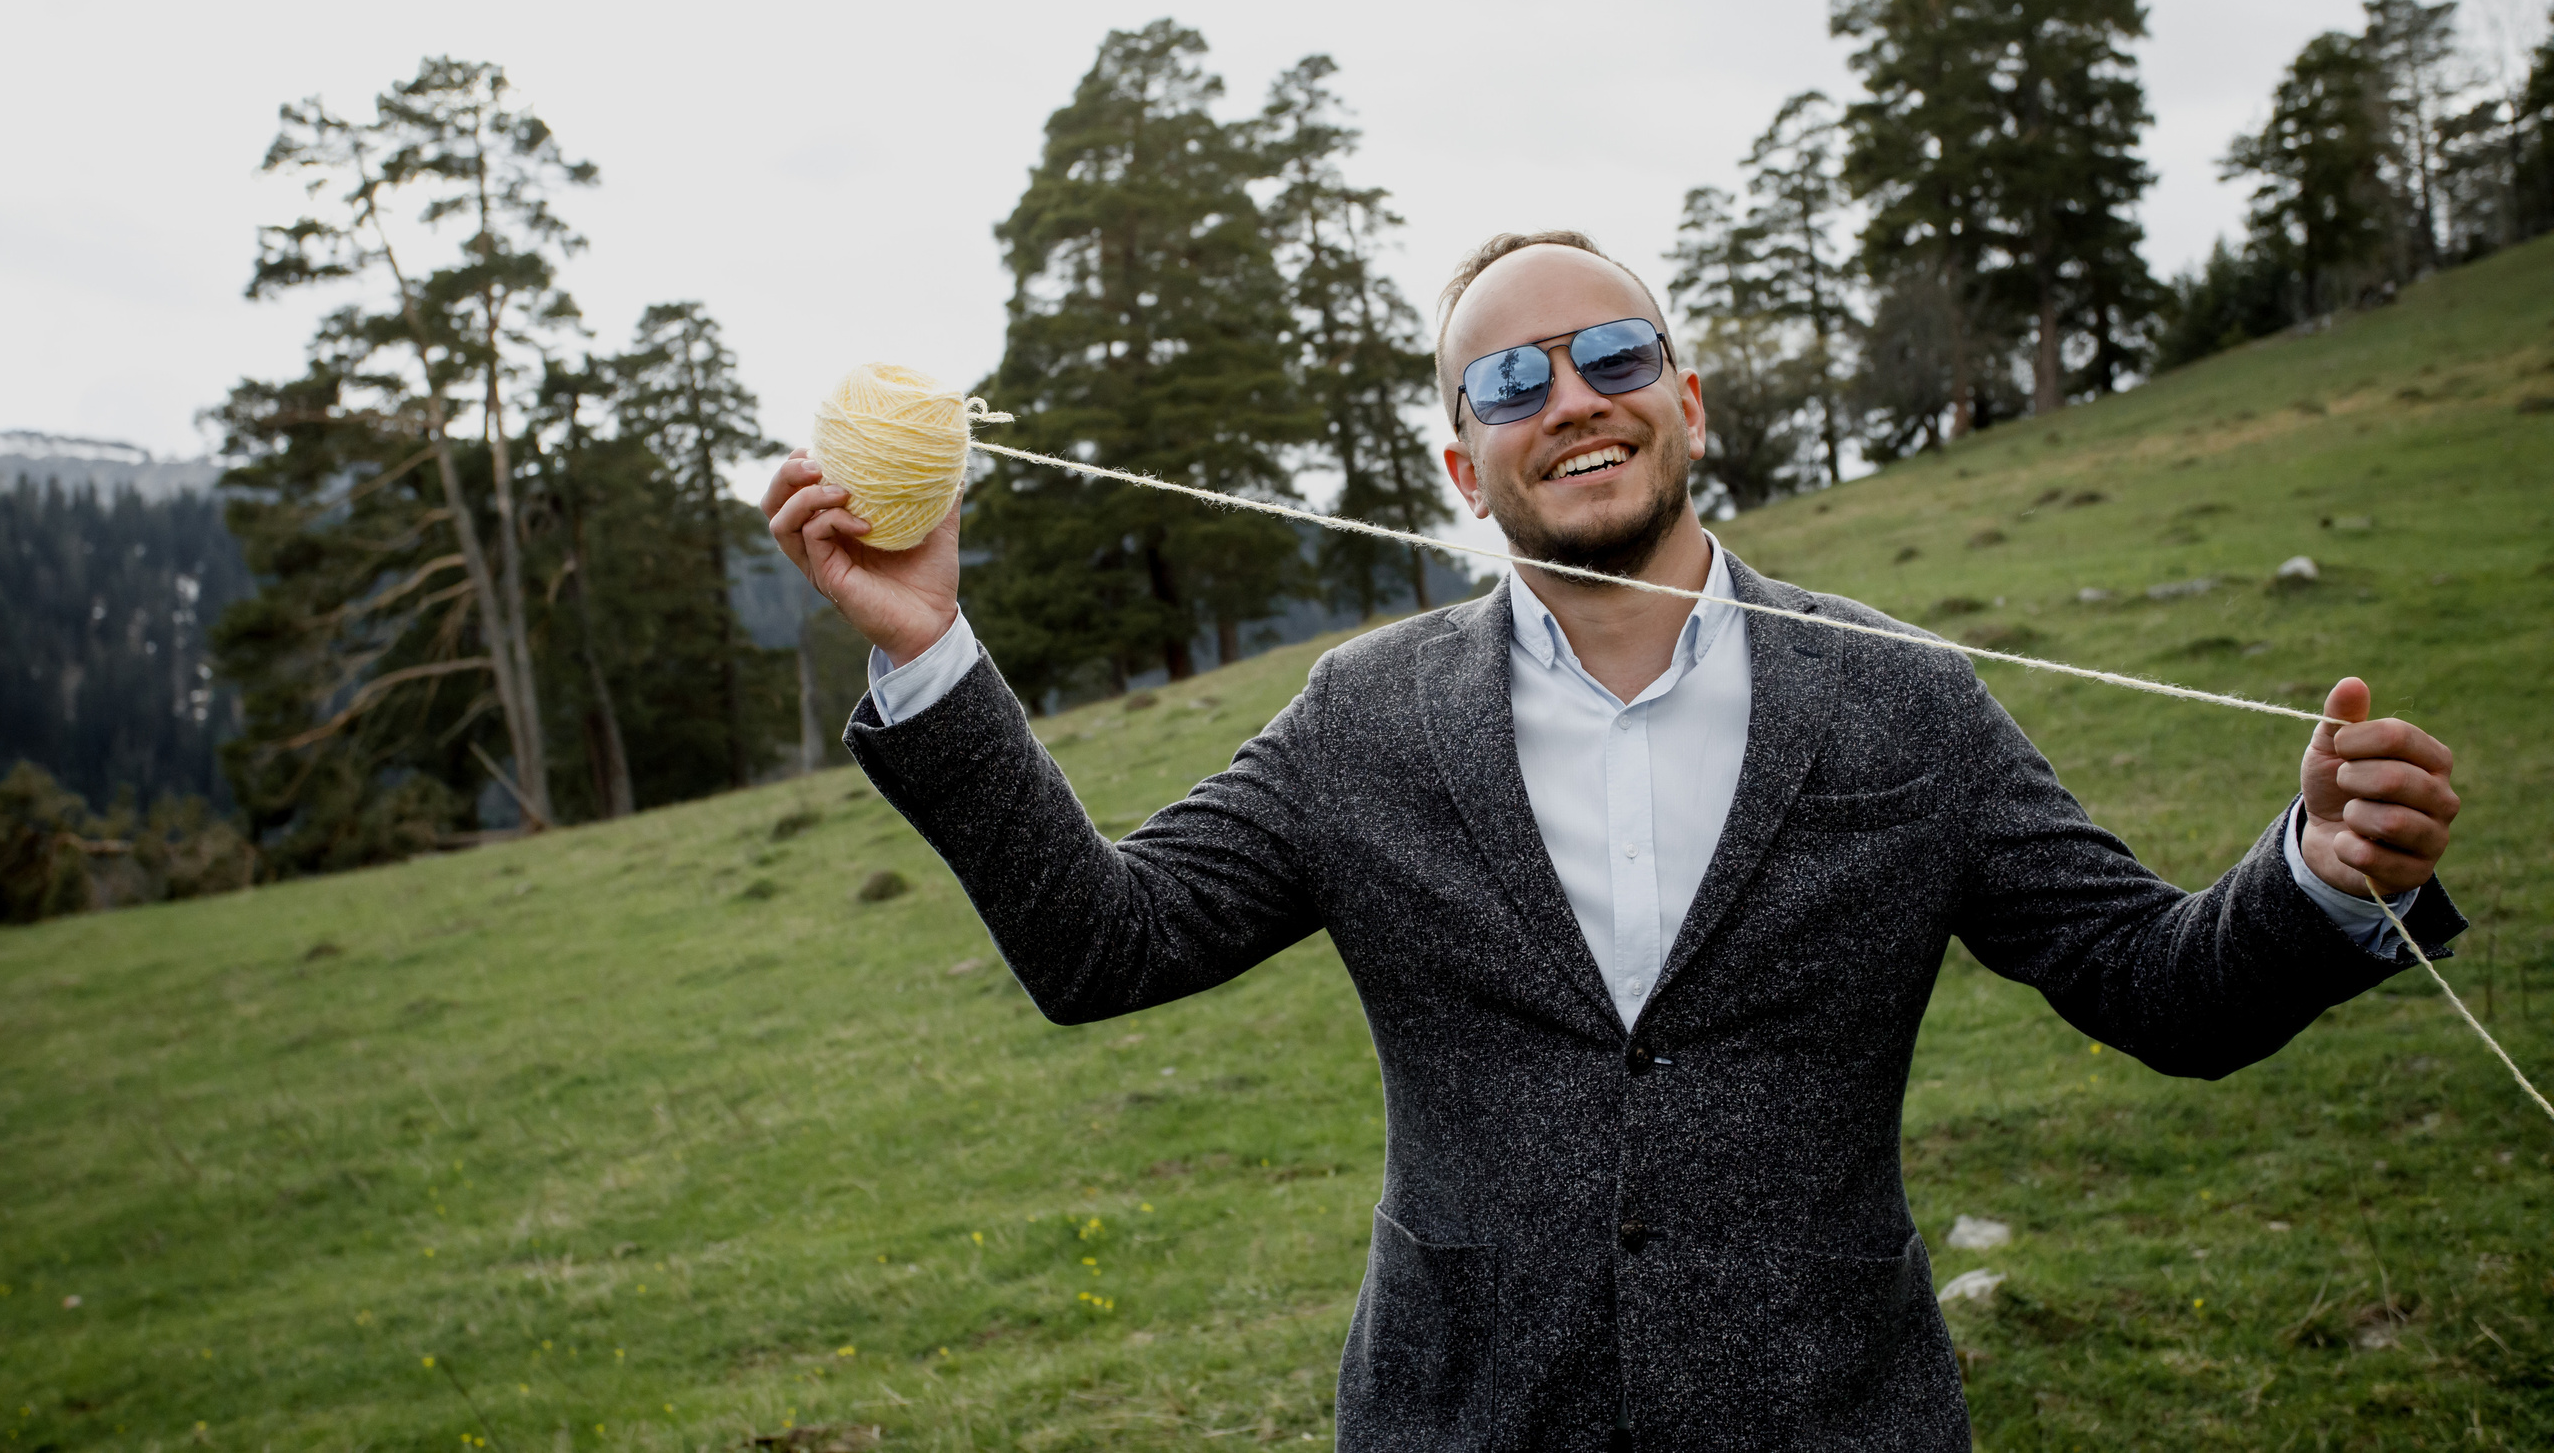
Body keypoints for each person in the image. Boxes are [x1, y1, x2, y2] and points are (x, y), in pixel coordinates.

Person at [761, 231, 2463, 1452]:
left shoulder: (1906, 700)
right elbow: (1102, 947)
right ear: (1458, 460)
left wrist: (2318, 871)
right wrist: (927, 646)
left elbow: (2154, 986)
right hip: (1462, 1420)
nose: (1571, 395)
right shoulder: (1359, 720)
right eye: (1512, 377)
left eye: (1613, 355)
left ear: (1687, 401)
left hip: (1834, 1419)